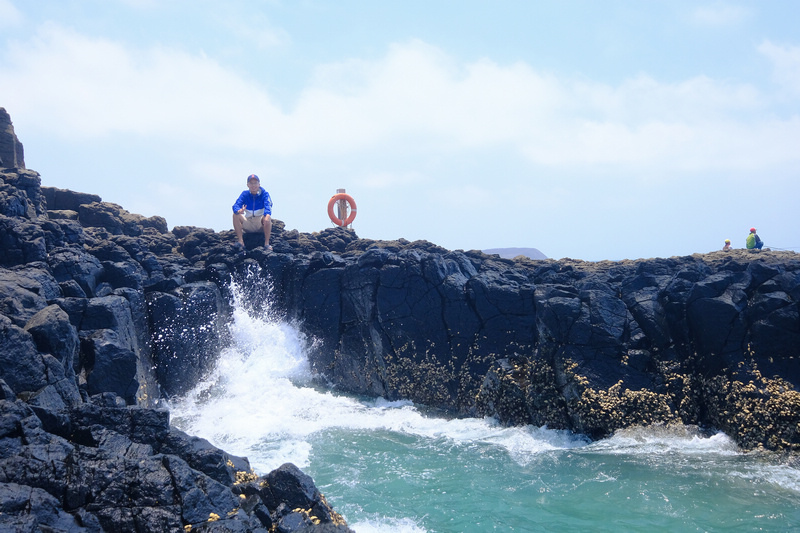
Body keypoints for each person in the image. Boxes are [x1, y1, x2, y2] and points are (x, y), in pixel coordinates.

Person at [232, 174, 273, 251]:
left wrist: (267, 215)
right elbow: (236, 205)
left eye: (255, 183)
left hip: (260, 224)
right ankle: (241, 241)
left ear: (259, 184)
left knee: (267, 218)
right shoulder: (245, 194)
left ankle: (266, 244)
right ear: (248, 185)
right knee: (235, 215)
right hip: (249, 222)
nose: (253, 185)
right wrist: (238, 210)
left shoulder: (264, 194)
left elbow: (269, 205)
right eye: (251, 183)